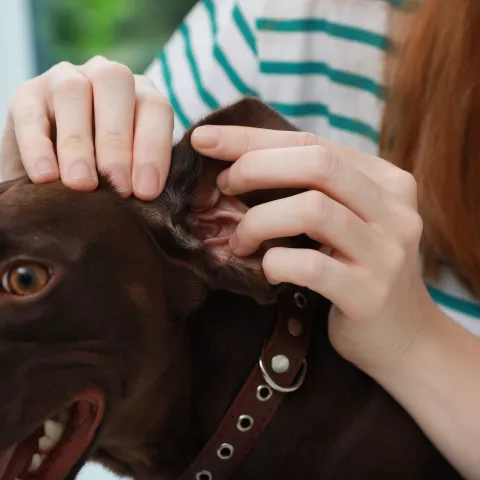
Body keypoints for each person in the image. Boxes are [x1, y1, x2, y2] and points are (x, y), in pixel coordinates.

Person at [1, 0, 480, 478]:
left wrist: (415, 341)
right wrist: (29, 162)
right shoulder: (277, 19)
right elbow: (98, 214)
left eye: (24, 280)